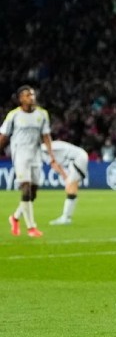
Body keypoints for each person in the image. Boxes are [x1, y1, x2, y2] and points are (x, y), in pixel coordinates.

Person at [0, 85, 57, 238]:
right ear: (20, 99)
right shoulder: (13, 115)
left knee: (33, 193)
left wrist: (51, 155)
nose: (31, 97)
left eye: (32, 94)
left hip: (36, 155)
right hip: (20, 155)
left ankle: (15, 217)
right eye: (27, 95)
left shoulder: (42, 114)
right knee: (25, 189)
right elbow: (3, 136)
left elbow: (46, 135)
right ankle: (31, 227)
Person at [41, 140, 89, 225]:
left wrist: (65, 177)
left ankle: (65, 218)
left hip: (77, 159)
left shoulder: (42, 150)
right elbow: (56, 163)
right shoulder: (47, 146)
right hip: (79, 157)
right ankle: (67, 217)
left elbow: (54, 164)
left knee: (70, 187)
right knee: (72, 188)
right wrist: (65, 177)